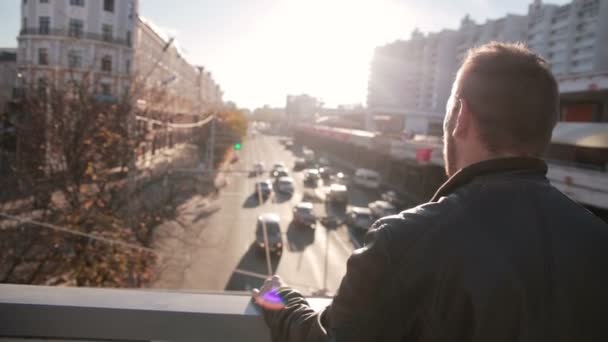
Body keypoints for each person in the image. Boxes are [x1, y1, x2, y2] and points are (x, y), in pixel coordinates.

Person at [251, 42, 608, 341]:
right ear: (545, 132)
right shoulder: (597, 240)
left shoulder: (403, 240)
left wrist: (275, 297)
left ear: (460, 117)